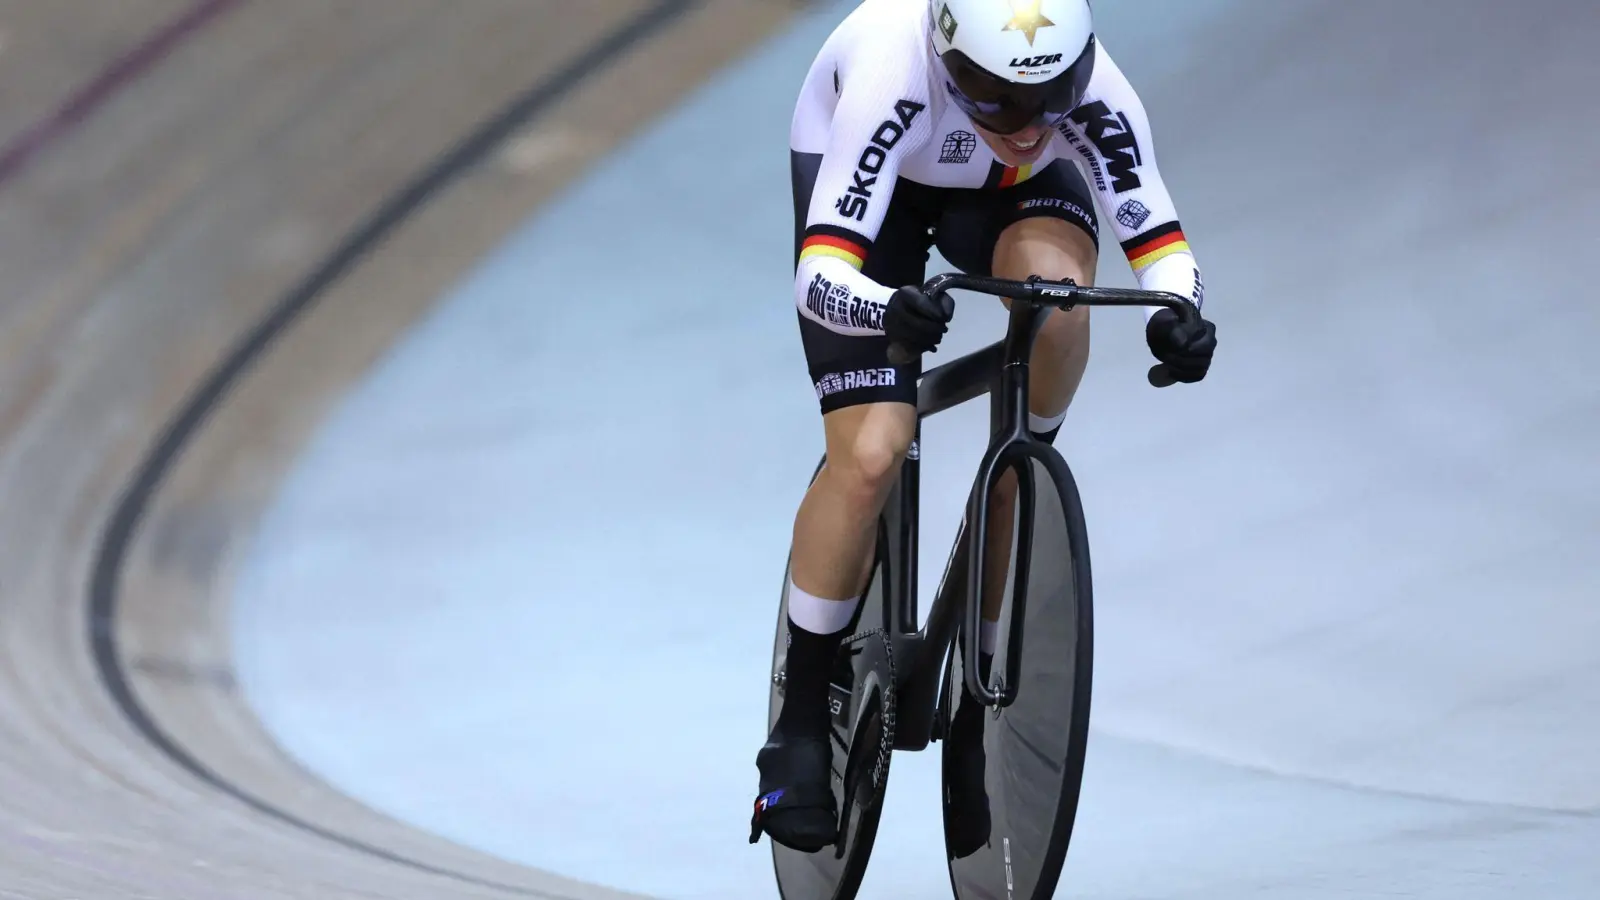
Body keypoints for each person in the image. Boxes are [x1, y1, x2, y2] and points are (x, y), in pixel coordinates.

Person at [750, 0, 1218, 853]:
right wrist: (886, 304)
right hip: (875, 197)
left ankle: (1018, 482)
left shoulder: (1090, 92)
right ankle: (801, 719)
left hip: (1004, 203)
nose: (1026, 125)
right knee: (872, 450)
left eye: (1049, 100)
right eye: (995, 98)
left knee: (1060, 311)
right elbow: (819, 275)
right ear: (945, 54)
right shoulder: (892, 77)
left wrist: (1180, 312)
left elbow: (1158, 239)